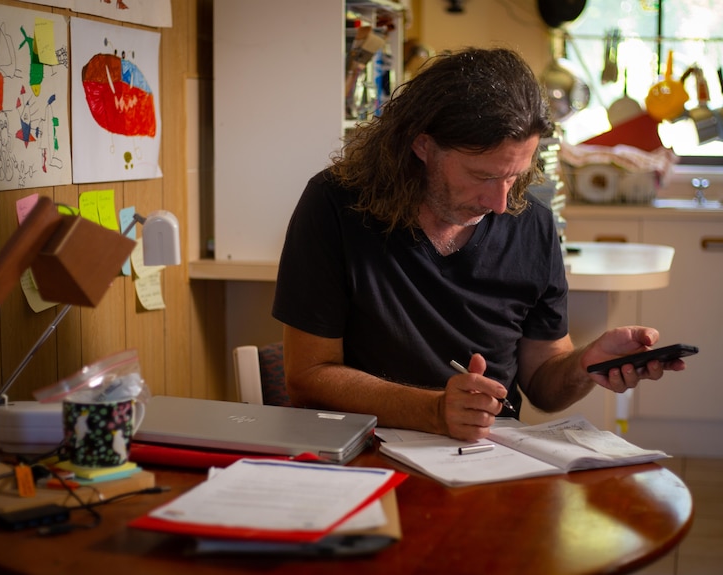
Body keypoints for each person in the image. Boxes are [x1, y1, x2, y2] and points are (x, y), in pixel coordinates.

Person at [272, 47, 685, 441]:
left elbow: (543, 385)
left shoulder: (533, 225)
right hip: (365, 455)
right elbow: (309, 376)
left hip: (487, 459)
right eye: (483, 176)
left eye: (513, 176)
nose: (500, 202)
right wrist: (433, 410)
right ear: (422, 144)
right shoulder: (337, 205)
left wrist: (584, 364)